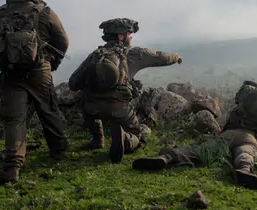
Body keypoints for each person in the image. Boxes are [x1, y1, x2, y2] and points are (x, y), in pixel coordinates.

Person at [0, 0, 70, 183]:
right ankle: (59, 150)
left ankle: (12, 167)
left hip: (10, 73)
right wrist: (52, 63)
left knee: (15, 119)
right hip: (39, 70)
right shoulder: (45, 12)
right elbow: (62, 41)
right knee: (48, 110)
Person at [68, 18, 182, 162]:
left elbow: (73, 83)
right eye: (129, 33)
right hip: (118, 108)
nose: (131, 36)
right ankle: (126, 140)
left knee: (89, 105)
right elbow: (161, 57)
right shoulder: (135, 53)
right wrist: (176, 57)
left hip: (91, 108)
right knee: (139, 132)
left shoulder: (95, 55)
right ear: (121, 36)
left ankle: (97, 138)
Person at [132, 80, 257, 190]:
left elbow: (225, 125)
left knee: (199, 151)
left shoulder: (237, 111)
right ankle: (244, 169)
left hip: (228, 135)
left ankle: (167, 158)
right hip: (249, 138)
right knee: (245, 153)